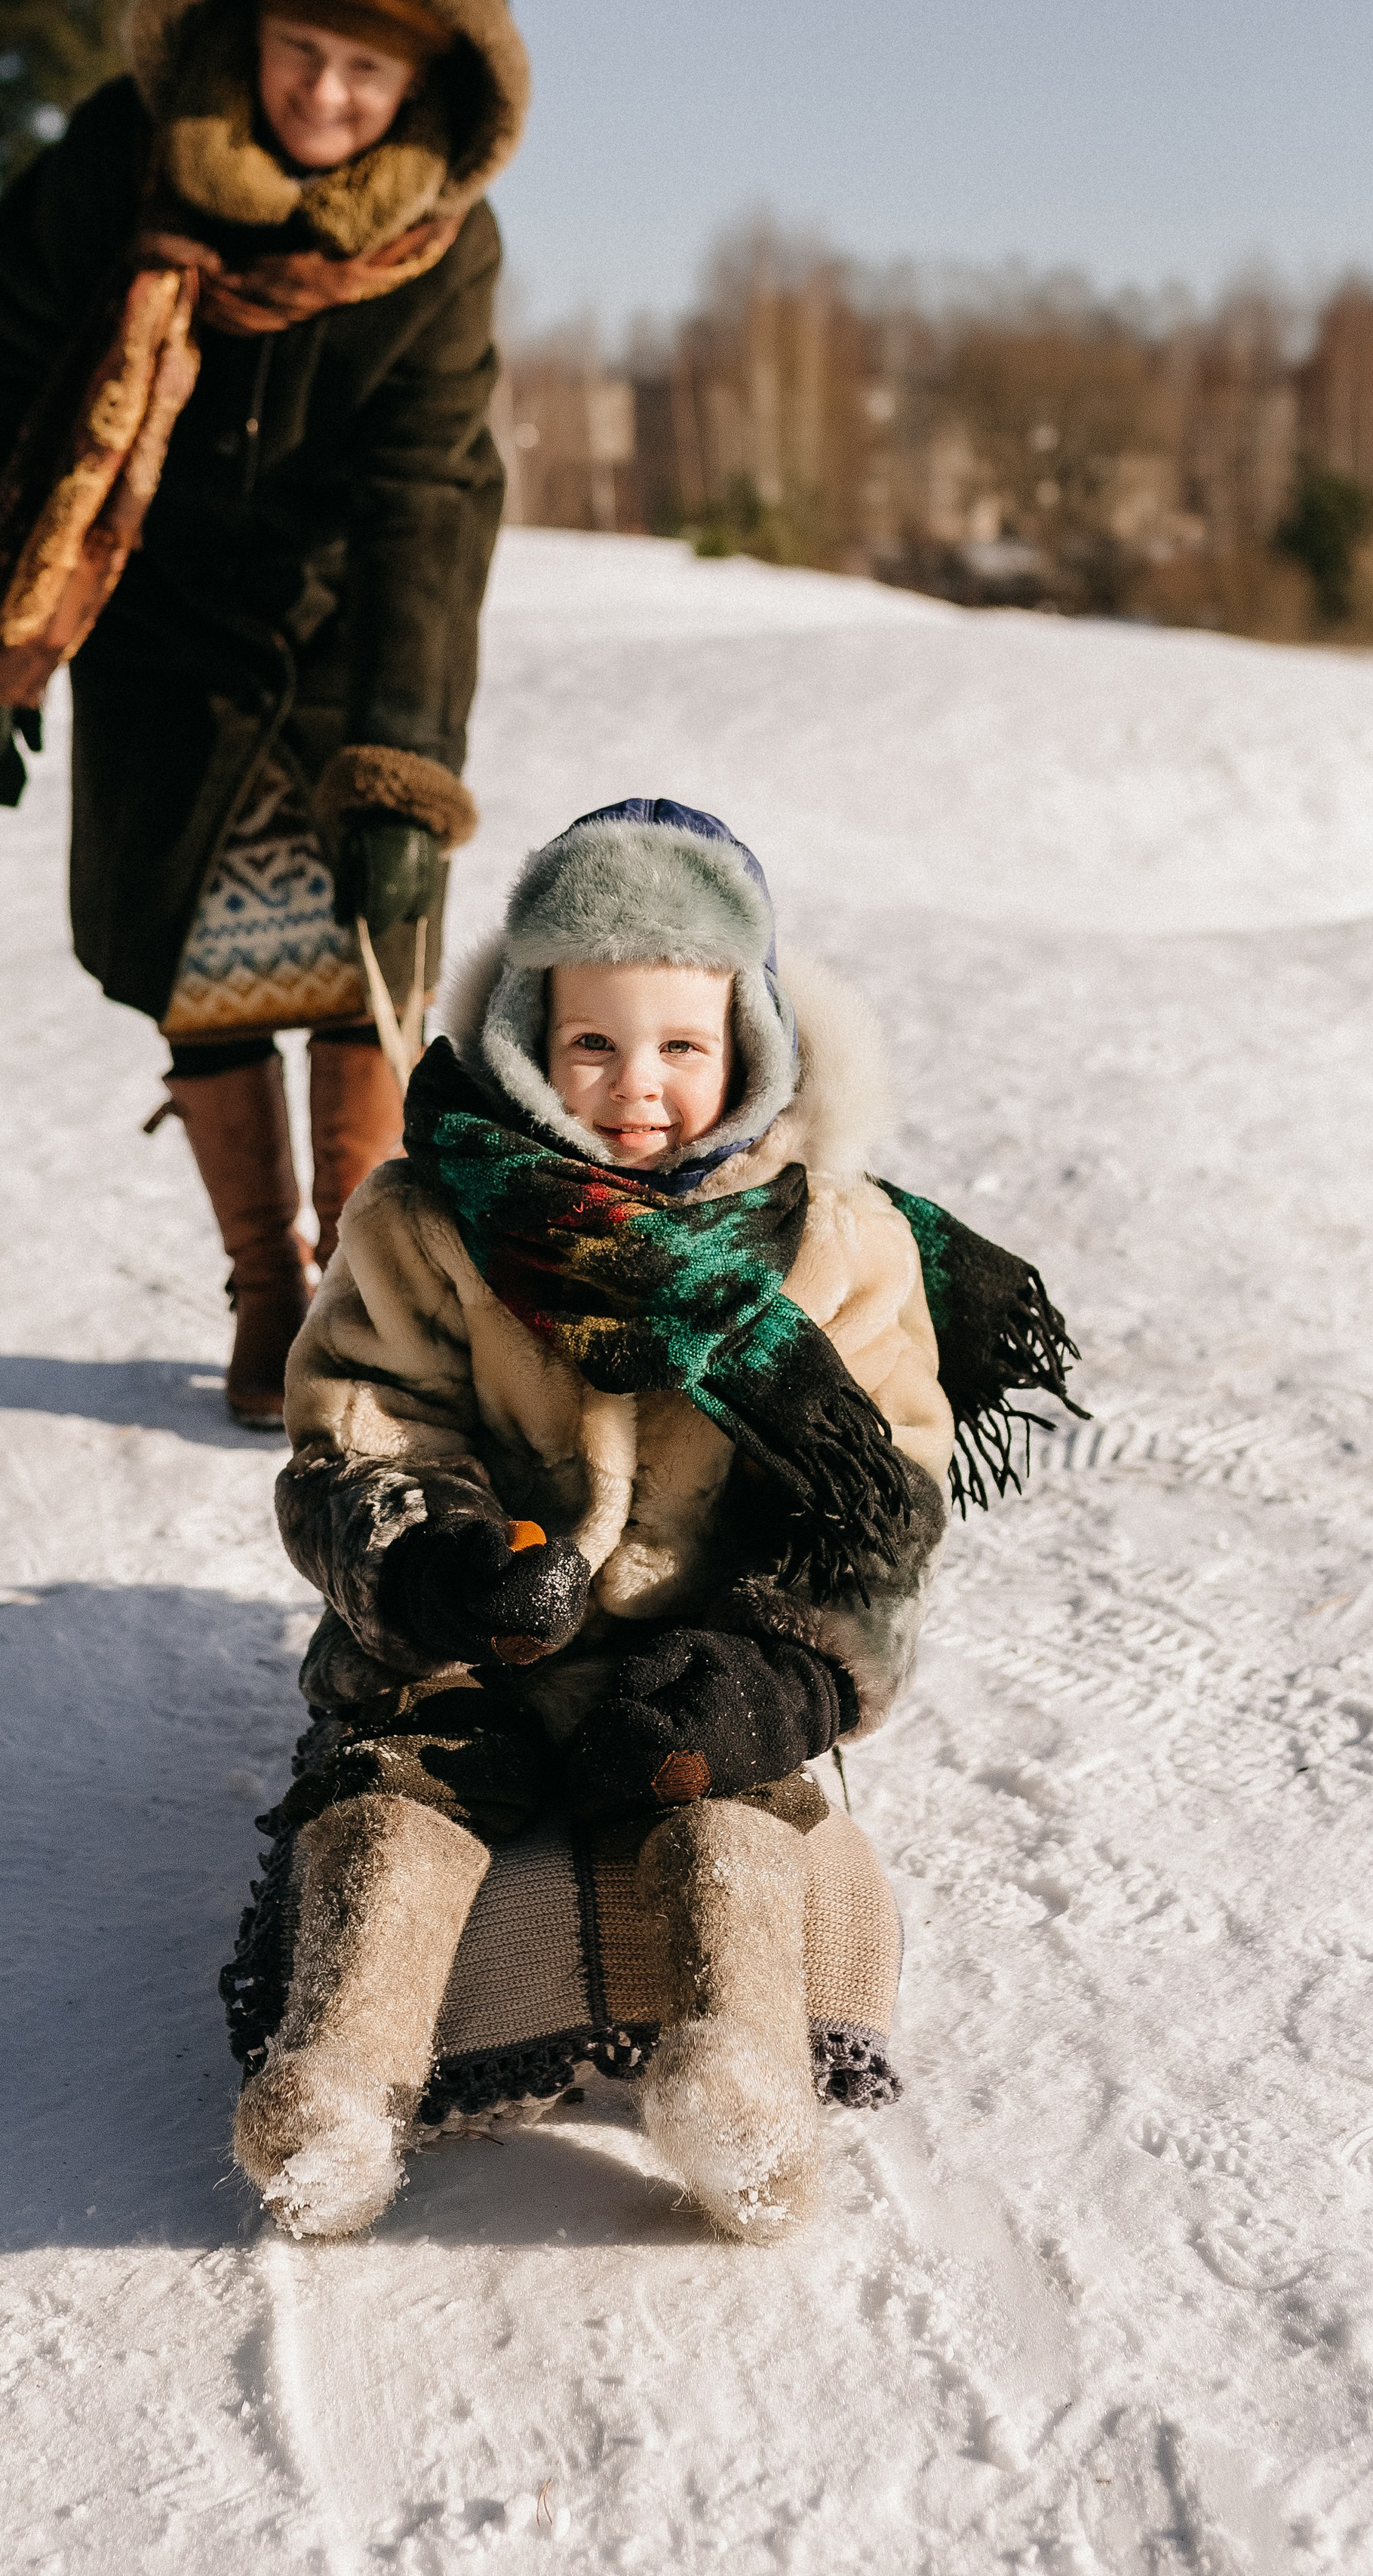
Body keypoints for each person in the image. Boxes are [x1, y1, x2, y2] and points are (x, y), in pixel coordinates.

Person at [235, 800, 1079, 2240]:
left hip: (697, 1636)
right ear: (524, 1042)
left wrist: (789, 1660)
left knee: (724, 1799)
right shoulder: (427, 1220)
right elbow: (362, 1421)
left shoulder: (835, 1239)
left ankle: (737, 2075)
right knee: (401, 1786)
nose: (640, 1088)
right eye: (594, 1046)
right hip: (484, 1629)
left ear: (752, 1040)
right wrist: (431, 1562)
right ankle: (343, 2074)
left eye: (683, 1046)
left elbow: (891, 1491)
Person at [0, 0, 530, 1424]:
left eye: (366, 71)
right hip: (151, 621)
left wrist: (403, 768)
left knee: (348, 973)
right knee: (204, 973)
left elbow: (427, 502)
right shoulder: (117, 161)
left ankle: (348, 1301)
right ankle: (265, 1290)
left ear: (425, 80)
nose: (326, 95)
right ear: (239, 33)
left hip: (346, 641)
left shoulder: (438, 243)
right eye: (300, 53)